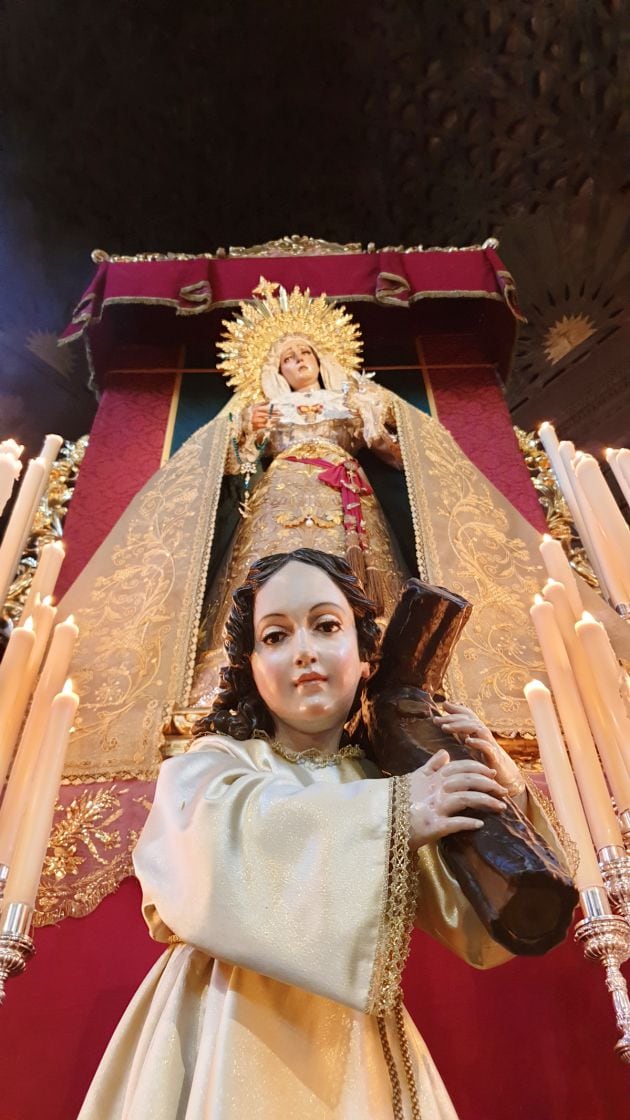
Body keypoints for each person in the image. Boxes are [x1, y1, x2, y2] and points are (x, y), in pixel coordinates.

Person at [78, 548, 567, 1120]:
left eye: (327, 626)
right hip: (225, 1029)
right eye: (276, 636)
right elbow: (207, 853)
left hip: (356, 1052)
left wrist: (500, 799)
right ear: (251, 666)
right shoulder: (211, 766)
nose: (304, 650)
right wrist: (393, 816)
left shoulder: (394, 783)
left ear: (365, 657)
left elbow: (480, 928)